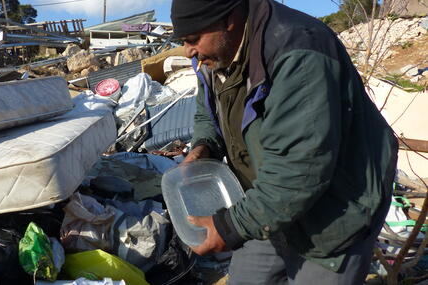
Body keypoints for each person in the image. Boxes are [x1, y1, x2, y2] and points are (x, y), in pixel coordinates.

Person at [170, 0, 399, 284]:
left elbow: (300, 169)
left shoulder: (296, 51)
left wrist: (230, 228)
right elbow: (207, 110)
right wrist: (203, 147)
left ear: (228, 20)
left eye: (193, 40)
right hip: (267, 202)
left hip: (335, 213)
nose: (189, 51)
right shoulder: (215, 54)